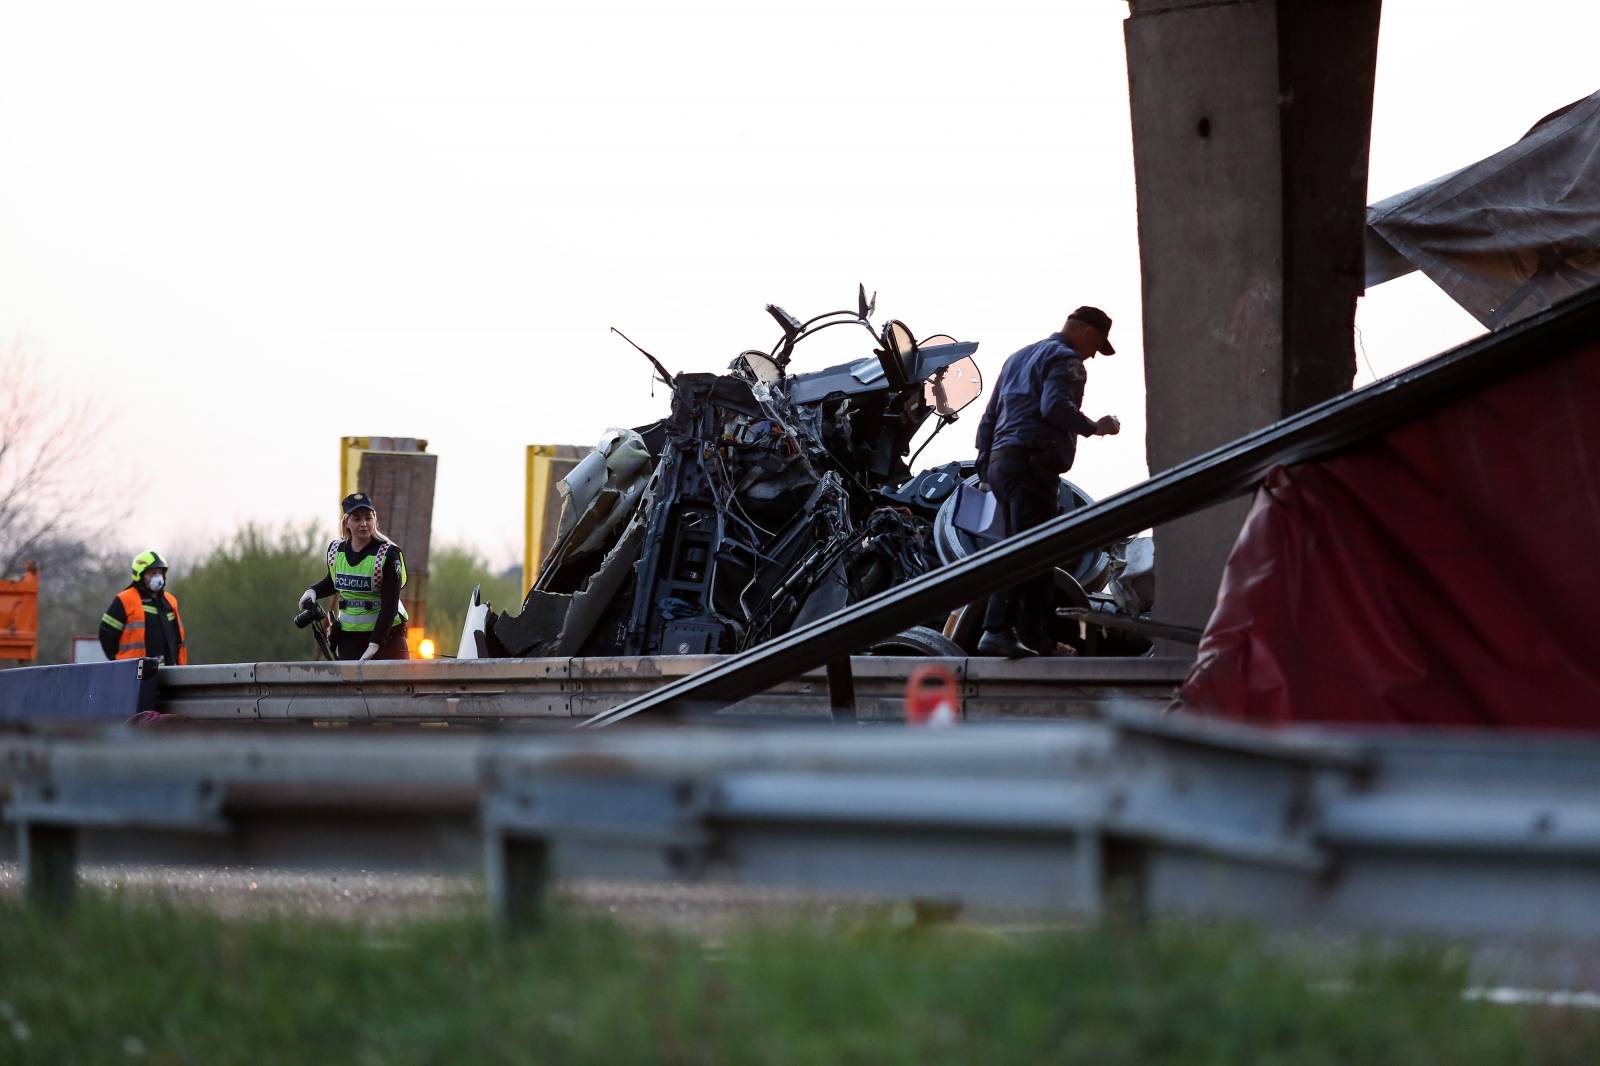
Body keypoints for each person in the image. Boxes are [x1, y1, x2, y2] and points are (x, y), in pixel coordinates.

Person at [972, 306, 1121, 658]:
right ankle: (997, 629)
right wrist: (1096, 427)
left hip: (1004, 463)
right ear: (1087, 332)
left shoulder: (1018, 358)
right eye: (1096, 346)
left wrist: (985, 468)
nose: (1092, 356)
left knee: (1036, 553)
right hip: (1031, 464)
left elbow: (989, 418)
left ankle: (1035, 639)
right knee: (1026, 550)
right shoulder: (1067, 359)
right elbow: (1055, 407)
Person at [298, 492, 411, 661]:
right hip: (349, 639)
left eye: (368, 518)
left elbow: (390, 605)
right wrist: (313, 591)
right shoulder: (336, 551)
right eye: (357, 519)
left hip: (387, 639)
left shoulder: (388, 554)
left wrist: (375, 643)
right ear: (346, 522)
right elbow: (335, 581)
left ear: (375, 520)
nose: (364, 524)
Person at [99, 550, 189, 664]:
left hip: (171, 671)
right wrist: (118, 663)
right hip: (137, 673)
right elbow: (106, 634)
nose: (157, 577)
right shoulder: (125, 599)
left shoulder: (170, 601)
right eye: (152, 573)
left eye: (160, 572)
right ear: (140, 575)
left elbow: (177, 638)